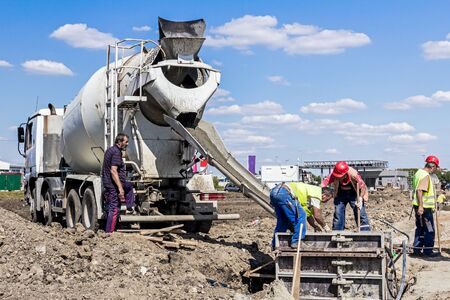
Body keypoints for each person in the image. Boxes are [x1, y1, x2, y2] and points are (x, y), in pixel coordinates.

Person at [321, 161, 370, 231]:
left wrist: (360, 198)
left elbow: (362, 186)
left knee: (360, 211)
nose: (337, 178)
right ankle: (338, 233)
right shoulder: (334, 174)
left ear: (345, 174)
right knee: (338, 213)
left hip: (354, 192)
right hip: (340, 193)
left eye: (339, 176)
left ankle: (365, 232)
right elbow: (324, 183)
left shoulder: (353, 174)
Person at [102, 133, 135, 233]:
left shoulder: (110, 150)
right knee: (114, 208)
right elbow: (113, 171)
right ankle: (109, 232)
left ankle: (129, 206)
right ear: (120, 142)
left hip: (109, 183)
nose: (127, 144)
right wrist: (120, 188)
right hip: (113, 185)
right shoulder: (116, 152)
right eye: (126, 142)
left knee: (128, 186)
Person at [411, 155, 440, 257]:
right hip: (424, 208)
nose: (435, 170)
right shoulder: (426, 175)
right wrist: (421, 207)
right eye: (436, 168)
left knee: (420, 228)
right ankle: (428, 251)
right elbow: (419, 190)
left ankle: (417, 250)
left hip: (417, 206)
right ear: (432, 166)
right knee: (429, 229)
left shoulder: (418, 173)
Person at [270, 183, 307, 249]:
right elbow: (298, 211)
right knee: (301, 215)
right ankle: (296, 241)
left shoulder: (300, 187)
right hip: (283, 192)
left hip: (274, 192)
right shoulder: (305, 194)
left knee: (283, 220)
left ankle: (275, 243)